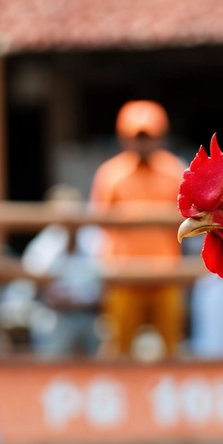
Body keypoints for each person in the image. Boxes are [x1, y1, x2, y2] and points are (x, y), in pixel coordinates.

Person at [90, 100, 187, 359]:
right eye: (137, 137)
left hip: (165, 275)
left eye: (149, 136)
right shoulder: (110, 174)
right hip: (124, 276)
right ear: (124, 137)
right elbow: (99, 223)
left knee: (171, 351)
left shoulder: (176, 172)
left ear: (161, 136)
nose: (143, 143)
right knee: (118, 351)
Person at [20, 185, 103, 358]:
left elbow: (105, 284)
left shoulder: (95, 240)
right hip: (55, 314)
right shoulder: (41, 246)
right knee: (48, 324)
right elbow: (30, 288)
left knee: (103, 330)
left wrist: (85, 301)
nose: (69, 221)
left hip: (91, 314)